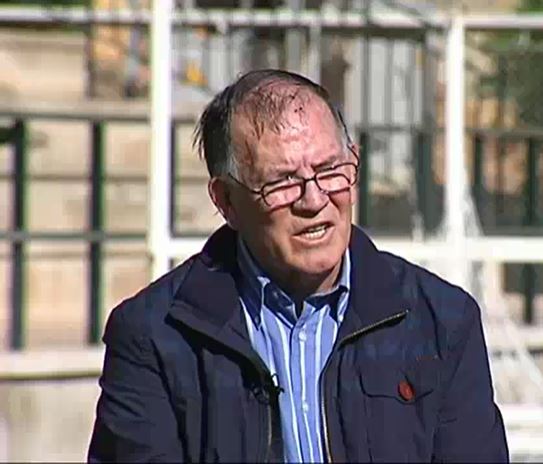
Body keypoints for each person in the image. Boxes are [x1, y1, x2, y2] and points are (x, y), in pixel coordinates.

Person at [88, 69, 508, 463]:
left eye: (330, 170)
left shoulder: (441, 322)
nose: (314, 200)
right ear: (226, 201)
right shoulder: (155, 336)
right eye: (283, 181)